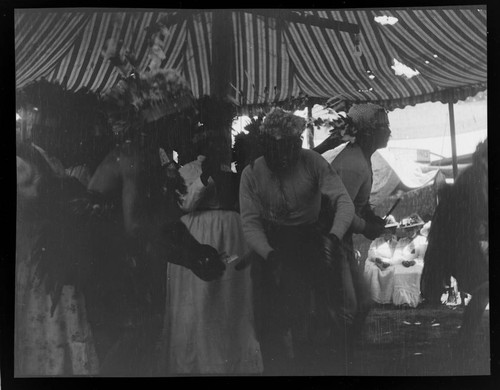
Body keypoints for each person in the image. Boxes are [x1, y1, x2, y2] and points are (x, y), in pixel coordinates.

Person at [86, 69, 226, 376]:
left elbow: (158, 219)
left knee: (142, 342)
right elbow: (136, 230)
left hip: (127, 265)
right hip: (113, 268)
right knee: (132, 346)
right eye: (185, 117)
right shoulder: (136, 154)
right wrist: (189, 255)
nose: (192, 124)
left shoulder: (151, 153)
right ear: (159, 120)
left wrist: (195, 252)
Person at [237, 108, 355, 375]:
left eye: (289, 148)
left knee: (320, 318)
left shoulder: (312, 162)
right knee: (268, 321)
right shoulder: (251, 173)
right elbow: (250, 222)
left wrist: (334, 237)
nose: (282, 156)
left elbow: (343, 202)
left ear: (298, 144)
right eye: (275, 149)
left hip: (310, 242)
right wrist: (269, 254)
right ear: (265, 146)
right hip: (271, 245)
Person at [15, 80, 103, 375]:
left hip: (50, 257)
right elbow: (35, 199)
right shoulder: (25, 162)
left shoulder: (43, 157)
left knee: (56, 324)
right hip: (29, 258)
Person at [163, 131, 263, 374]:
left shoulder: (235, 171)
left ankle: (230, 357)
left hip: (230, 232)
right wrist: (206, 177)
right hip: (199, 231)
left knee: (228, 294)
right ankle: (199, 360)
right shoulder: (187, 171)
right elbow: (185, 204)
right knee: (200, 295)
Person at [313, 103, 391, 359]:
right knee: (347, 308)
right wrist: (367, 226)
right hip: (330, 239)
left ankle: (346, 355)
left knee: (362, 304)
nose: (389, 131)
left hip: (339, 239)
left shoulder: (361, 159)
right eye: (384, 127)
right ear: (368, 133)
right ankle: (339, 361)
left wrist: (371, 217)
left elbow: (357, 204)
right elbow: (339, 212)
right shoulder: (353, 164)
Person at [363, 216, 399, 305]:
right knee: (374, 270)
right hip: (376, 262)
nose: (387, 234)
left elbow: (397, 256)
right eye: (386, 232)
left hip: (389, 263)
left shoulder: (396, 243)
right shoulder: (376, 241)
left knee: (392, 271)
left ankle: (387, 299)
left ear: (392, 233)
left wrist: (389, 262)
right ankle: (374, 298)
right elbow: (371, 252)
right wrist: (377, 260)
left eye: (390, 232)